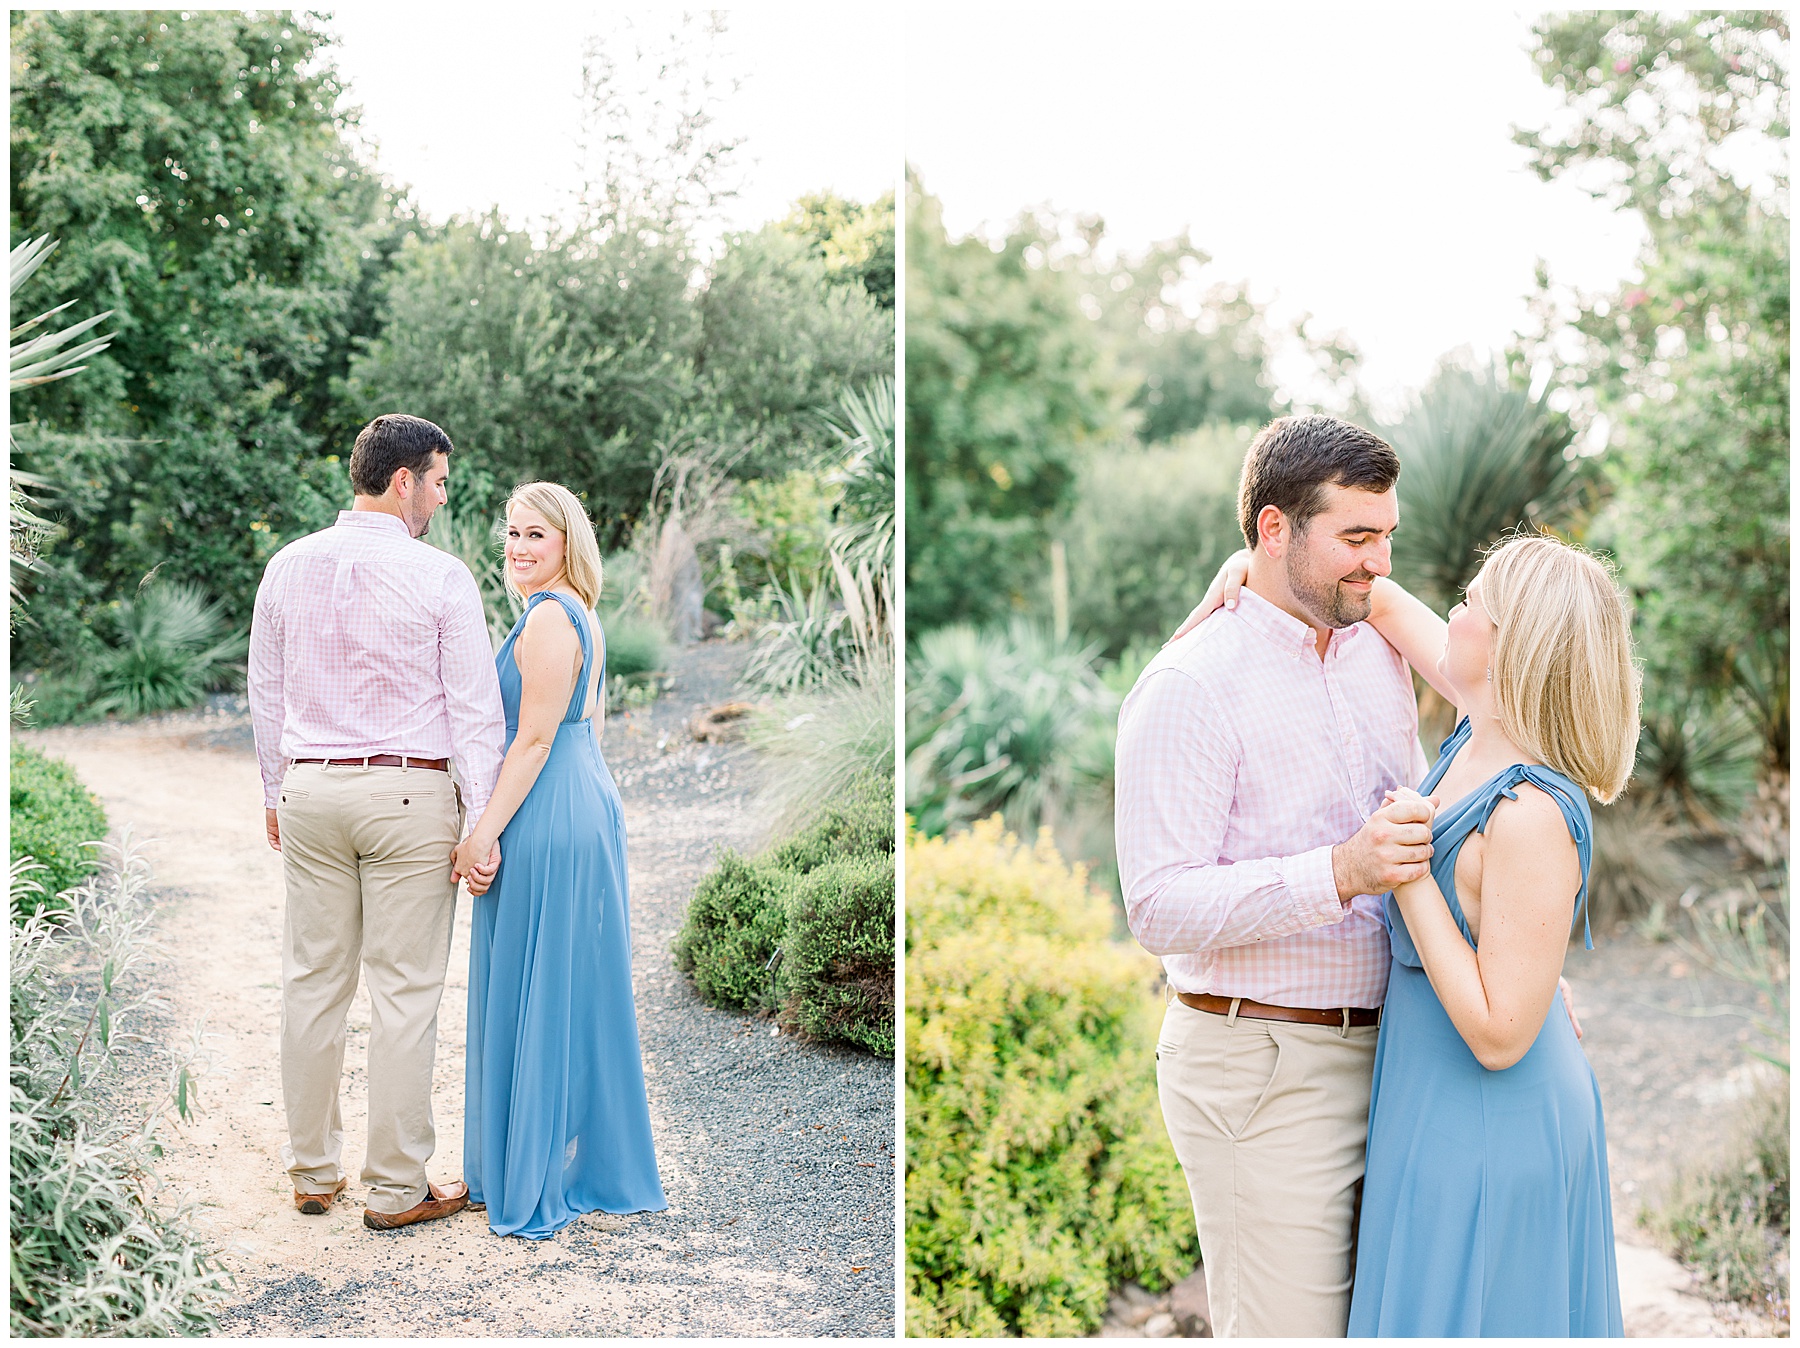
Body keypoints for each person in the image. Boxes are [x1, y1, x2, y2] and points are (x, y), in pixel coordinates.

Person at [1113, 413, 1433, 1337]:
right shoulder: (1190, 686)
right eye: (1356, 539)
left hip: (1400, 1056)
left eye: (1387, 537)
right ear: (1272, 529)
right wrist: (1338, 872)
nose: (1378, 564)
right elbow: (1158, 904)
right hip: (1264, 1072)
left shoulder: (1379, 651)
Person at [1342, 533, 1633, 1336]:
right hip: (1427, 1099)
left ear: (1510, 651)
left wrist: (1404, 874)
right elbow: (1391, 601)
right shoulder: (1479, 726)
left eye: (1471, 602)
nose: (1454, 610)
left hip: (1488, 1123)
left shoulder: (1530, 811)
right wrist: (1248, 569)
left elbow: (1502, 1034)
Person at [249, 412, 504, 1231]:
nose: (438, 497)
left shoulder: (286, 566)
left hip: (312, 791)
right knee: (405, 993)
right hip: (408, 798)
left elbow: (266, 695)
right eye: (436, 482)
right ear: (403, 482)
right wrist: (484, 821)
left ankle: (313, 1174)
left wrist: (273, 791)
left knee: (312, 982)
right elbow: (474, 715)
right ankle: (397, 1189)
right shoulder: (441, 577)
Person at [450, 481, 666, 1239]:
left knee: (538, 984)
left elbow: (533, 740)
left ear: (568, 541)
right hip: (580, 796)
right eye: (511, 533)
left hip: (547, 806)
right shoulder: (579, 615)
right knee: (564, 983)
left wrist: (482, 834)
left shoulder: (548, 621)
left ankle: (533, 1175)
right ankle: (551, 1162)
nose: (517, 547)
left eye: (535, 535)